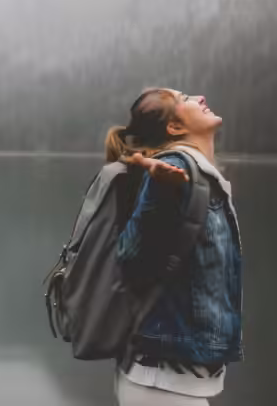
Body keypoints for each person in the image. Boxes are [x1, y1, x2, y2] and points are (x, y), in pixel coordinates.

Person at [104, 88, 243, 406]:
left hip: (175, 381)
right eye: (185, 99)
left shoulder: (198, 174)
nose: (200, 97)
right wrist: (160, 196)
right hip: (159, 381)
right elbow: (128, 258)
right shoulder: (171, 170)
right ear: (175, 128)